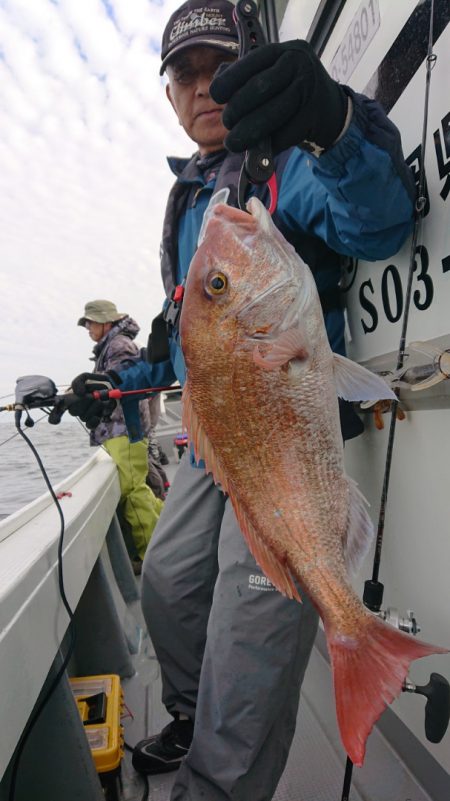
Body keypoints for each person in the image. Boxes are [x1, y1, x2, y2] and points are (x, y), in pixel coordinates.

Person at [67, 2, 416, 799]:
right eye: (183, 75)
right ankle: (190, 711)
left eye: (217, 65)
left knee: (247, 616)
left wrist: (331, 124)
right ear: (169, 95)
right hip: (213, 435)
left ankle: (220, 779)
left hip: (279, 431)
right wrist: (114, 378)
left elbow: (378, 218)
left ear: (248, 64)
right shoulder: (191, 198)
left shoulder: (290, 160)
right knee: (167, 581)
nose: (202, 88)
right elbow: (178, 329)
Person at [77, 299, 164, 573]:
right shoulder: (113, 346)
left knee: (132, 490)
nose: (88, 328)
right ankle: (163, 541)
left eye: (90, 322)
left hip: (123, 428)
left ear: (105, 322)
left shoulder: (117, 346)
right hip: (121, 429)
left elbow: (128, 387)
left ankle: (150, 555)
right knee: (139, 486)